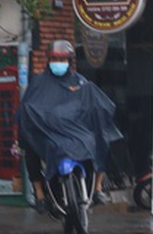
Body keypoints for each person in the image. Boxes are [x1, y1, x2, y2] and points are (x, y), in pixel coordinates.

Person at [16, 39, 122, 213]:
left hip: (77, 133)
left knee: (102, 137)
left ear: (70, 61)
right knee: (30, 145)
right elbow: (28, 106)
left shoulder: (80, 82)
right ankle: (40, 194)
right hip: (48, 133)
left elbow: (93, 101)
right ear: (48, 61)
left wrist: (100, 112)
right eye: (55, 60)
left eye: (62, 60)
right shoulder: (38, 83)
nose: (59, 64)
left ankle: (97, 188)